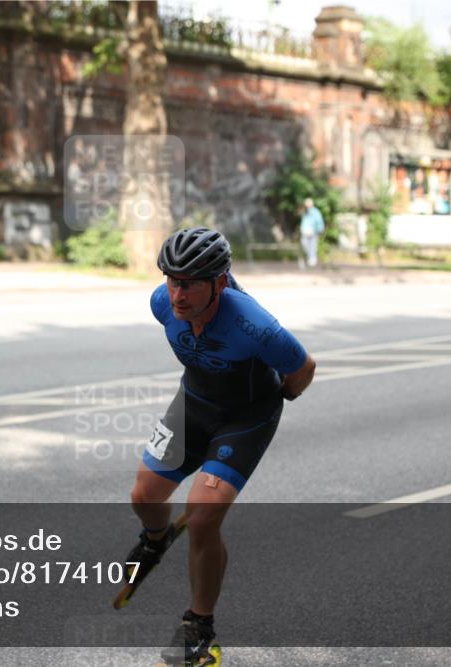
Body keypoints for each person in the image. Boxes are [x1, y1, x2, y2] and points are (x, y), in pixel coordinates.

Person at [127, 227, 316, 665]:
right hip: (194, 405)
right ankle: (155, 540)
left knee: (203, 512)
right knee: (144, 495)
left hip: (245, 418)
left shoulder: (255, 324)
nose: (178, 294)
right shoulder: (161, 303)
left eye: (191, 282)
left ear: (221, 283)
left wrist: (282, 397)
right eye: (172, 280)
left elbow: (302, 367)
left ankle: (200, 626)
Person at [299, 197, 325, 268]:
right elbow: (304, 222)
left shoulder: (315, 212)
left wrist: (320, 229)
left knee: (313, 245)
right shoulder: (305, 212)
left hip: (313, 231)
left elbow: (319, 221)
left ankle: (312, 258)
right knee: (305, 244)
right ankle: (310, 257)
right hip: (305, 231)